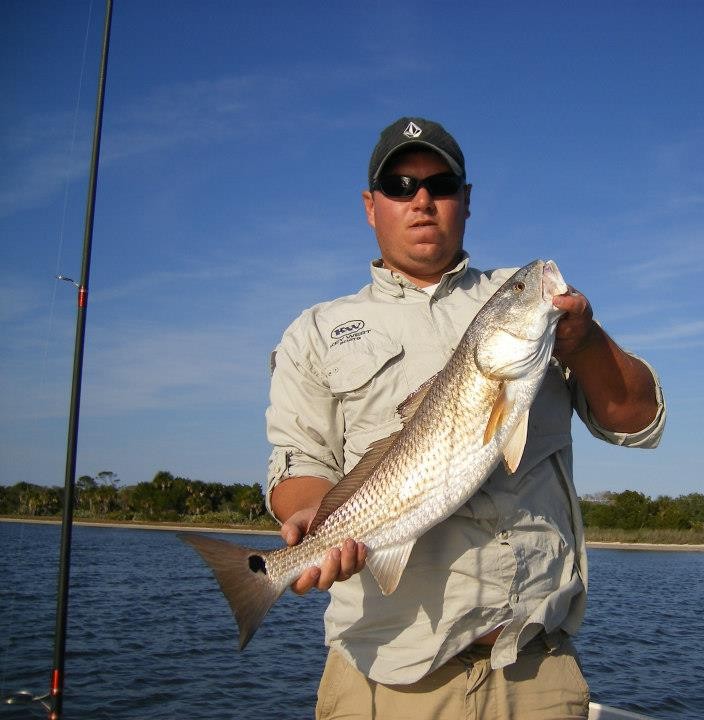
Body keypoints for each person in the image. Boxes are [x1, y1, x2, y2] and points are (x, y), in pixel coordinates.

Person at [265, 117, 666, 720]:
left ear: (466, 201)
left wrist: (584, 342)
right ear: (370, 207)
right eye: (399, 186)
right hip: (385, 676)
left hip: (535, 669)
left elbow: (636, 421)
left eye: (441, 184)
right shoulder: (315, 332)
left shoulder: (525, 305)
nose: (421, 200)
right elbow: (298, 464)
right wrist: (311, 520)